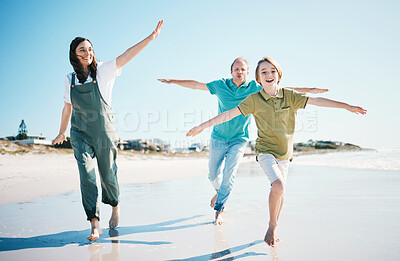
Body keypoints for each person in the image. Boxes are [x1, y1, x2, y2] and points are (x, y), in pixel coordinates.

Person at [186, 56, 366, 246]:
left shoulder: (290, 95)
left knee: (280, 192)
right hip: (265, 150)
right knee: (278, 185)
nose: (268, 75)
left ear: (278, 75)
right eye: (263, 72)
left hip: (285, 154)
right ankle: (271, 226)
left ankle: (274, 224)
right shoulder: (254, 99)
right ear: (258, 79)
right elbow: (228, 114)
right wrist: (202, 126)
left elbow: (318, 101)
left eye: (272, 71)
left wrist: (347, 106)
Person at [158, 58, 328, 225]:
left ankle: (219, 211)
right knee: (212, 175)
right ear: (231, 72)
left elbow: (281, 88)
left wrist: (310, 90)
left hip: (240, 139)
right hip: (218, 136)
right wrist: (173, 81)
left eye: (243, 69)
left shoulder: (254, 87)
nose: (239, 72)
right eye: (236, 69)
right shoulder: (220, 85)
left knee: (229, 175)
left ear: (248, 73)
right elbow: (196, 85)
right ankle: (220, 192)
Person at [52, 20, 164, 241]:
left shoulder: (104, 70)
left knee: (108, 175)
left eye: (90, 49)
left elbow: (126, 55)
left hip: (104, 132)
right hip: (79, 132)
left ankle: (115, 205)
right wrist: (62, 132)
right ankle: (94, 223)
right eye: (82, 50)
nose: (88, 53)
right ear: (74, 55)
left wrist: (150, 39)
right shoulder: (70, 79)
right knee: (87, 175)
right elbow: (67, 107)